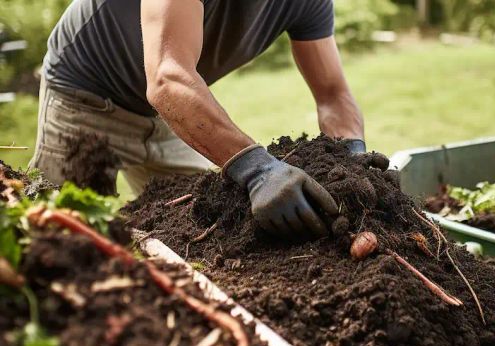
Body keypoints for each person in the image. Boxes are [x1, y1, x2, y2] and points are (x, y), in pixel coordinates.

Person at [31, 0, 370, 239]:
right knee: (59, 237)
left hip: (175, 113)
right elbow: (167, 79)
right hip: (86, 96)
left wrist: (353, 162)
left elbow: (332, 94)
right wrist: (258, 168)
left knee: (202, 234)